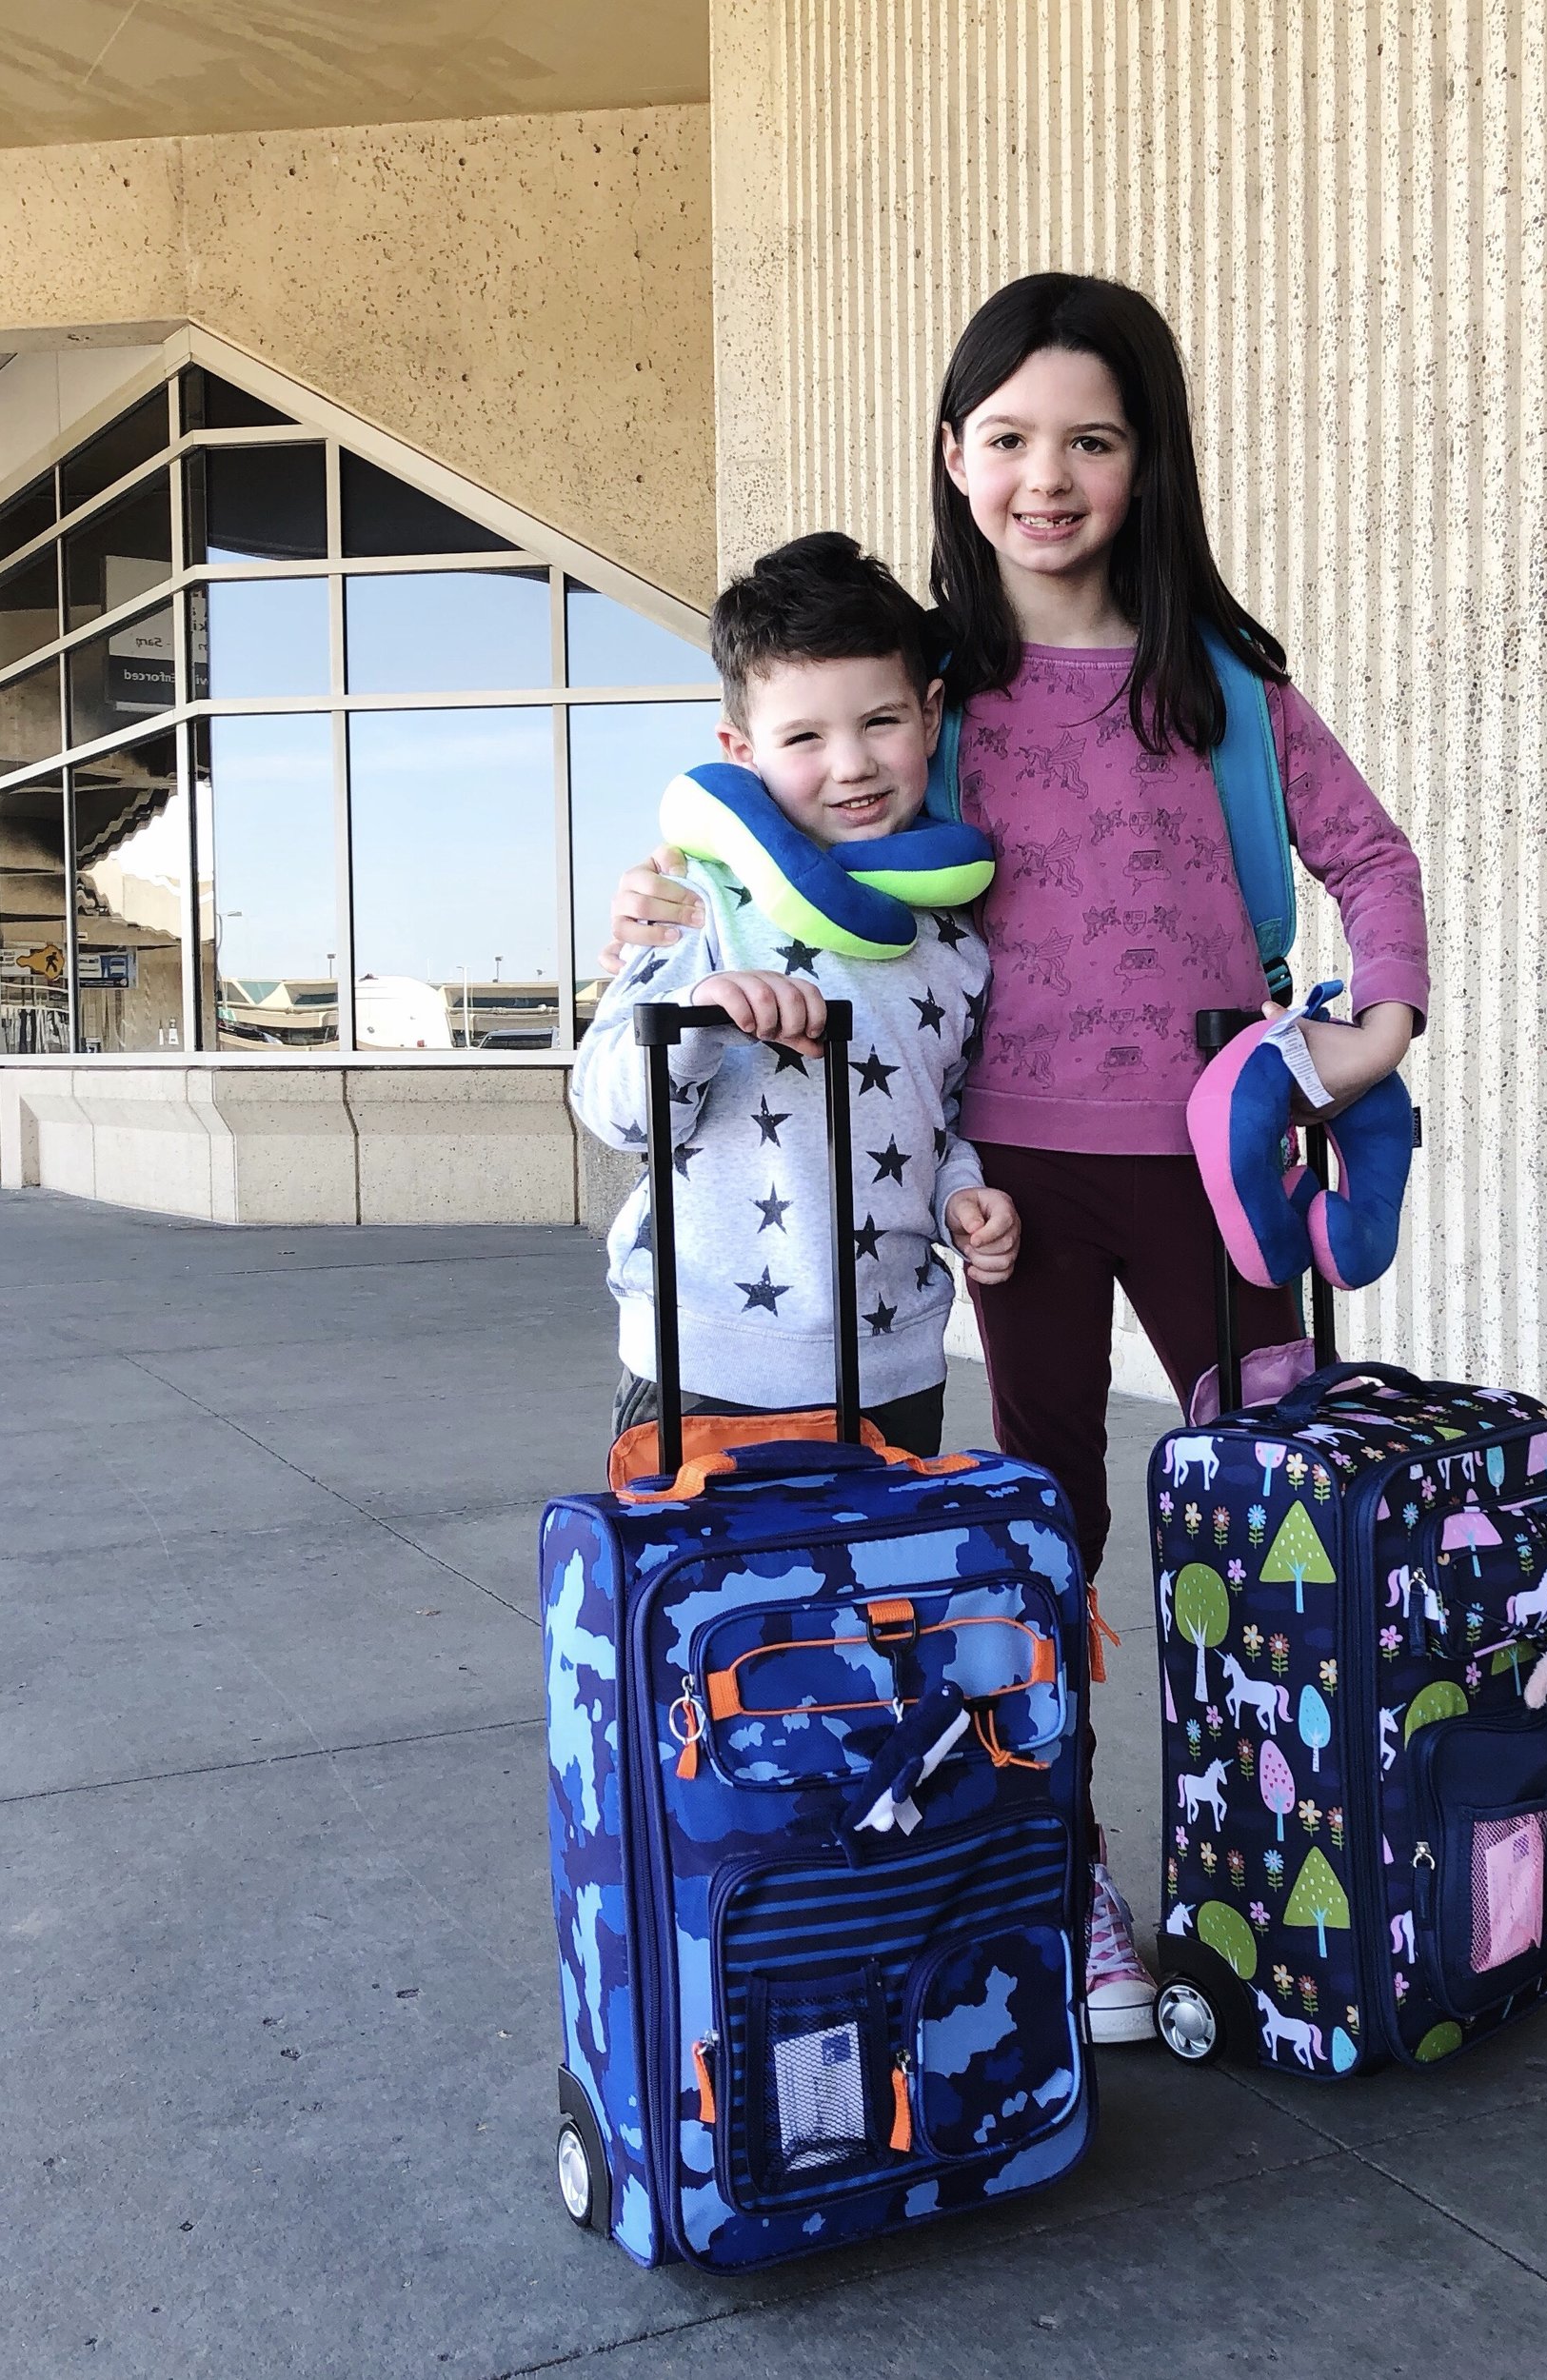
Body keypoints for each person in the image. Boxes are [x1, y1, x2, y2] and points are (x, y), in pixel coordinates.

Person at [603, 275, 1429, 2043]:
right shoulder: (935, 694)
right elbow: (777, 832)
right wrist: (679, 913)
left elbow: (1374, 862)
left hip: (1217, 1178)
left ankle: (1275, 1861)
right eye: (1009, 439)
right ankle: (1070, 1885)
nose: (1047, 477)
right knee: (1040, 1551)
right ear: (954, 456)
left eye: (1093, 441)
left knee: (1263, 1520)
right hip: (1016, 1202)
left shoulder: (1225, 690)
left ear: (1149, 462)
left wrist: (1376, 1028)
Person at [570, 530, 1020, 1463]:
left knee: (875, 1611)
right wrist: (700, 1008)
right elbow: (608, 1104)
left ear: (931, 718)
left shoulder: (958, 939)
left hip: (893, 1368)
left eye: (880, 722)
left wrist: (963, 1198)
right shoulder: (700, 898)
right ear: (741, 748)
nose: (850, 762)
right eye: (805, 736)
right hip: (703, 1365)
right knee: (707, 1611)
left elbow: (933, 1118)